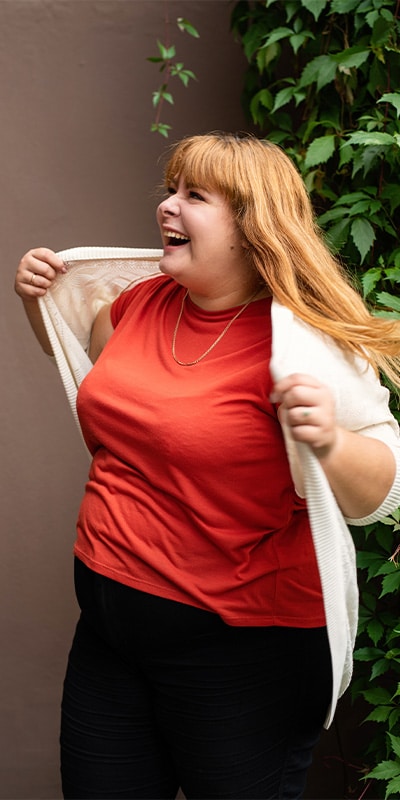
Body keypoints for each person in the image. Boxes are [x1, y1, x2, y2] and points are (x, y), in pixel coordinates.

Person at [14, 132, 400, 800]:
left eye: (195, 195)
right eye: (171, 189)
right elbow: (109, 395)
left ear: (253, 229)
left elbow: (384, 493)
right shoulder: (139, 304)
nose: (167, 206)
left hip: (245, 660)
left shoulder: (307, 345)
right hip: (110, 640)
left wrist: (332, 441)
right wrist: (35, 304)